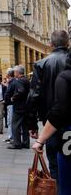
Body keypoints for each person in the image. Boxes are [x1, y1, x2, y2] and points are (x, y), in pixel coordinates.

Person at [32, 50, 71, 195]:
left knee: (67, 189)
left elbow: (59, 111)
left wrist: (40, 139)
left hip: (66, 135)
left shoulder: (65, 77)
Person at [27, 30, 69, 180]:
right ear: (67, 43)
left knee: (54, 163)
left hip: (50, 122)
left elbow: (34, 96)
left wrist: (32, 124)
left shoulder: (41, 64)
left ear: (50, 44)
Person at [7, 65, 30, 149]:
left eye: (14, 72)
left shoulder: (19, 81)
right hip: (26, 106)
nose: (14, 73)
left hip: (19, 106)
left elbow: (21, 91)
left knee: (15, 125)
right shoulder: (26, 80)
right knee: (25, 126)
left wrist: (13, 98)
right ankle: (25, 142)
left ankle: (17, 143)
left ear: (17, 72)